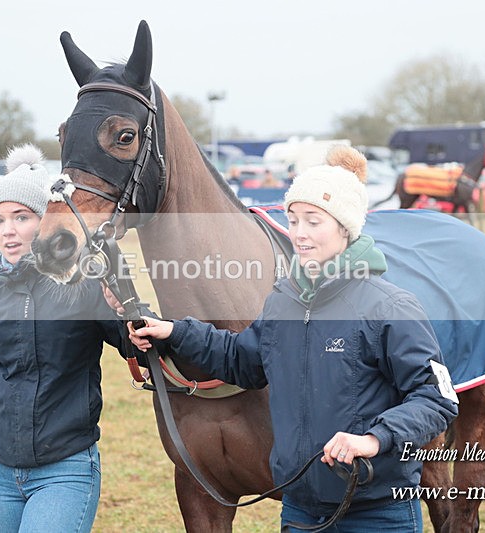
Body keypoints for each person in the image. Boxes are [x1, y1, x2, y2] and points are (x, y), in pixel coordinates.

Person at [125, 145, 459, 531]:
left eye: (313, 221)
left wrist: (374, 439)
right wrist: (176, 332)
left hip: (376, 512)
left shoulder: (391, 307)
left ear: (344, 227)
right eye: (294, 219)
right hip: (299, 512)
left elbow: (437, 399)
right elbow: (241, 360)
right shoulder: (283, 301)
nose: (299, 234)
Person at [0, 144, 132, 531]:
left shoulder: (84, 285)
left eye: (21, 217)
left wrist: (126, 307)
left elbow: (139, 347)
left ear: (48, 222)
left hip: (66, 470)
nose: (8, 230)